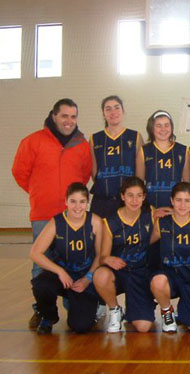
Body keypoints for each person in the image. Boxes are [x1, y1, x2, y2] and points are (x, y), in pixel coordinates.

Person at [12, 98, 92, 328]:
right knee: (40, 264)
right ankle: (44, 311)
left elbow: (84, 175)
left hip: (74, 216)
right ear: (54, 116)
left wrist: (72, 203)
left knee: (76, 261)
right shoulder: (33, 141)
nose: (69, 121)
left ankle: (74, 306)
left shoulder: (81, 145)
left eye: (73, 116)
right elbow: (20, 173)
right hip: (43, 213)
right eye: (64, 116)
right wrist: (39, 192)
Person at [30, 183, 102, 334]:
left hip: (83, 278)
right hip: (63, 276)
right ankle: (49, 317)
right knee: (41, 284)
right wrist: (60, 271)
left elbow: (100, 255)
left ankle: (86, 309)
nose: (77, 206)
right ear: (66, 201)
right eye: (73, 201)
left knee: (80, 326)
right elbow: (35, 253)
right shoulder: (56, 222)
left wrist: (88, 278)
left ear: (87, 202)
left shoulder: (95, 221)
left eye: (82, 201)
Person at [93, 177, 156, 333]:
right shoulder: (110, 222)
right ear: (122, 196)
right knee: (100, 275)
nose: (134, 200)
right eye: (130, 195)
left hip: (140, 273)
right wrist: (108, 259)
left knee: (143, 327)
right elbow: (102, 257)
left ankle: (136, 309)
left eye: (138, 195)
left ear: (144, 197)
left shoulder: (152, 214)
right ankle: (115, 310)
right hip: (119, 272)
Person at [150, 182, 190, 333]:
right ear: (171, 201)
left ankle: (185, 311)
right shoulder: (162, 223)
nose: (182, 205)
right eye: (178, 200)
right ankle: (167, 312)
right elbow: (144, 245)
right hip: (170, 279)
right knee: (158, 281)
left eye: (187, 200)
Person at [90, 95, 144, 218]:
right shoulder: (95, 138)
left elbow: (140, 174)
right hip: (102, 201)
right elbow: (94, 172)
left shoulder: (135, 136)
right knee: (100, 236)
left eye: (116, 107)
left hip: (127, 201)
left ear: (123, 111)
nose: (113, 112)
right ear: (103, 114)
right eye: (108, 109)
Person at [136, 109, 189, 211]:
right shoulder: (144, 151)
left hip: (176, 209)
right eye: (158, 126)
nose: (163, 129)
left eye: (166, 125)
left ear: (172, 127)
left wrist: (181, 207)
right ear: (152, 128)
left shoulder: (183, 150)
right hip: (151, 209)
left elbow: (188, 185)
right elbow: (138, 186)